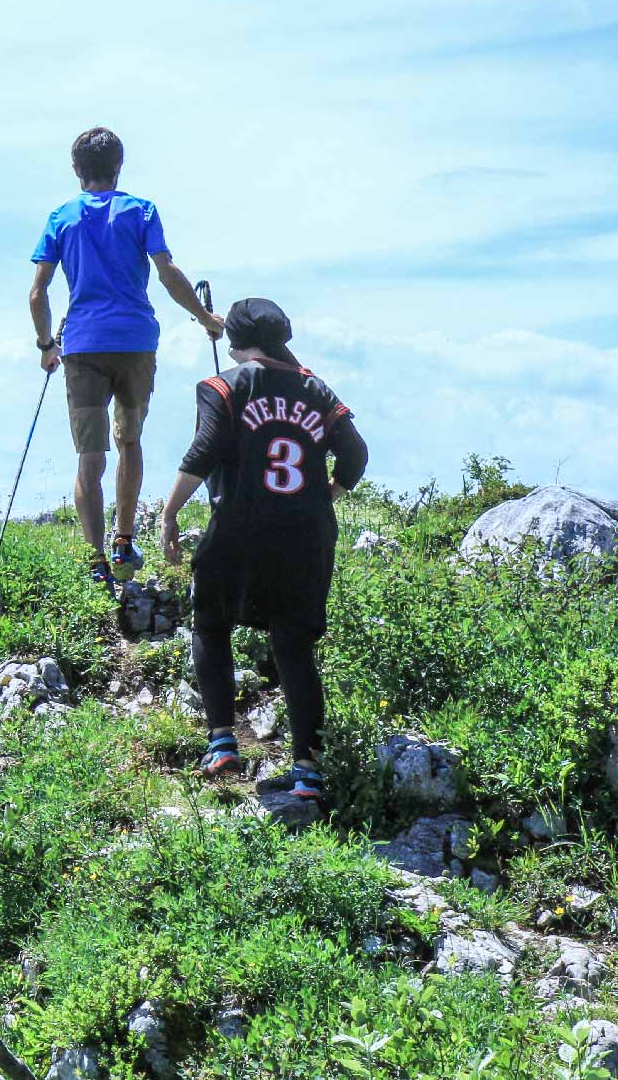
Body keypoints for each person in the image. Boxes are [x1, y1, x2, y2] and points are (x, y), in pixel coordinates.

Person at [159, 298, 368, 804]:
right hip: (307, 535)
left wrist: (168, 515)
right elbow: (356, 455)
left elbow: (204, 449)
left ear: (232, 340)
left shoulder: (222, 385)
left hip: (239, 527)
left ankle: (222, 742)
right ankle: (308, 773)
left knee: (211, 621)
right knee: (293, 646)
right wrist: (324, 495)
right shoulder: (318, 390)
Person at [29, 127, 225, 585]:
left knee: (90, 456)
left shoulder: (61, 217)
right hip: (135, 343)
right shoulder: (140, 211)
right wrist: (206, 319)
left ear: (76, 169)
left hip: (82, 347)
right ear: (119, 167)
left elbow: (38, 293)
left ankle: (96, 560)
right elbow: (167, 273)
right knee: (129, 441)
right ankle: (123, 542)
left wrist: (45, 347)